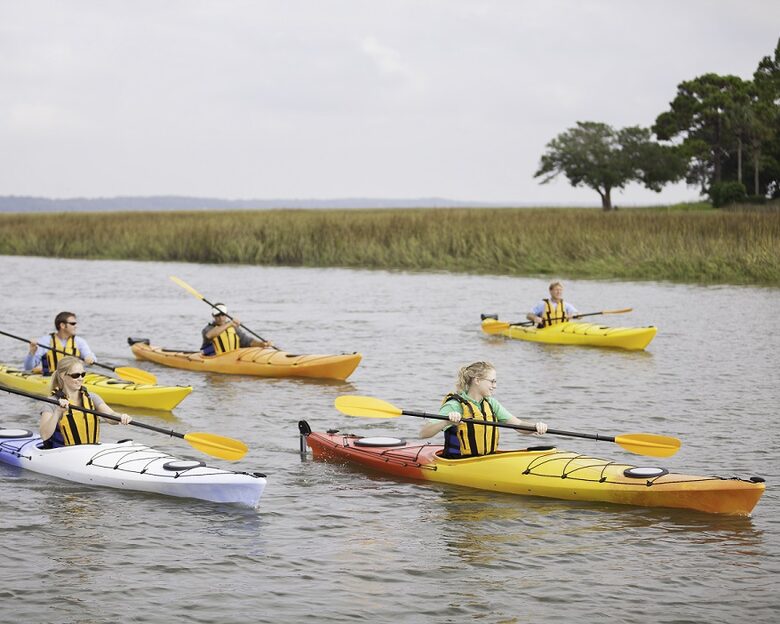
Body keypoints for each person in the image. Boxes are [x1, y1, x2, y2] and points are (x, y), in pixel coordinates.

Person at [419, 361, 548, 458]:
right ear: (478, 380)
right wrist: (446, 422)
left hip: (486, 460)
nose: (495, 386)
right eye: (492, 381)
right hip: (459, 462)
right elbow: (424, 433)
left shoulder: (491, 403)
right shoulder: (455, 405)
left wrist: (535, 427)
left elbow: (518, 425)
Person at [39, 356, 132, 448]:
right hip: (63, 454)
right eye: (75, 375)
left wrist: (121, 417)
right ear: (63, 376)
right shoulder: (52, 402)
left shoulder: (92, 397)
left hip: (89, 452)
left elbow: (110, 416)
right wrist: (58, 412)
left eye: (82, 374)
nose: (80, 378)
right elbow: (44, 435)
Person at [24, 311, 96, 376]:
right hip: (51, 378)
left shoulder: (80, 342)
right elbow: (28, 368)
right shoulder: (45, 341)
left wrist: (90, 358)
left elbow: (89, 355)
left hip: (74, 379)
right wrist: (31, 353)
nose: (76, 326)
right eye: (73, 324)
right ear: (62, 325)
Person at [200, 303, 270, 356]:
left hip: (233, 358)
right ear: (213, 315)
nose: (221, 318)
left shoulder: (233, 328)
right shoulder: (208, 329)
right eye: (217, 315)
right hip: (214, 358)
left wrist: (261, 344)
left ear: (226, 314)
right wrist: (230, 323)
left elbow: (248, 341)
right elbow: (209, 335)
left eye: (223, 314)